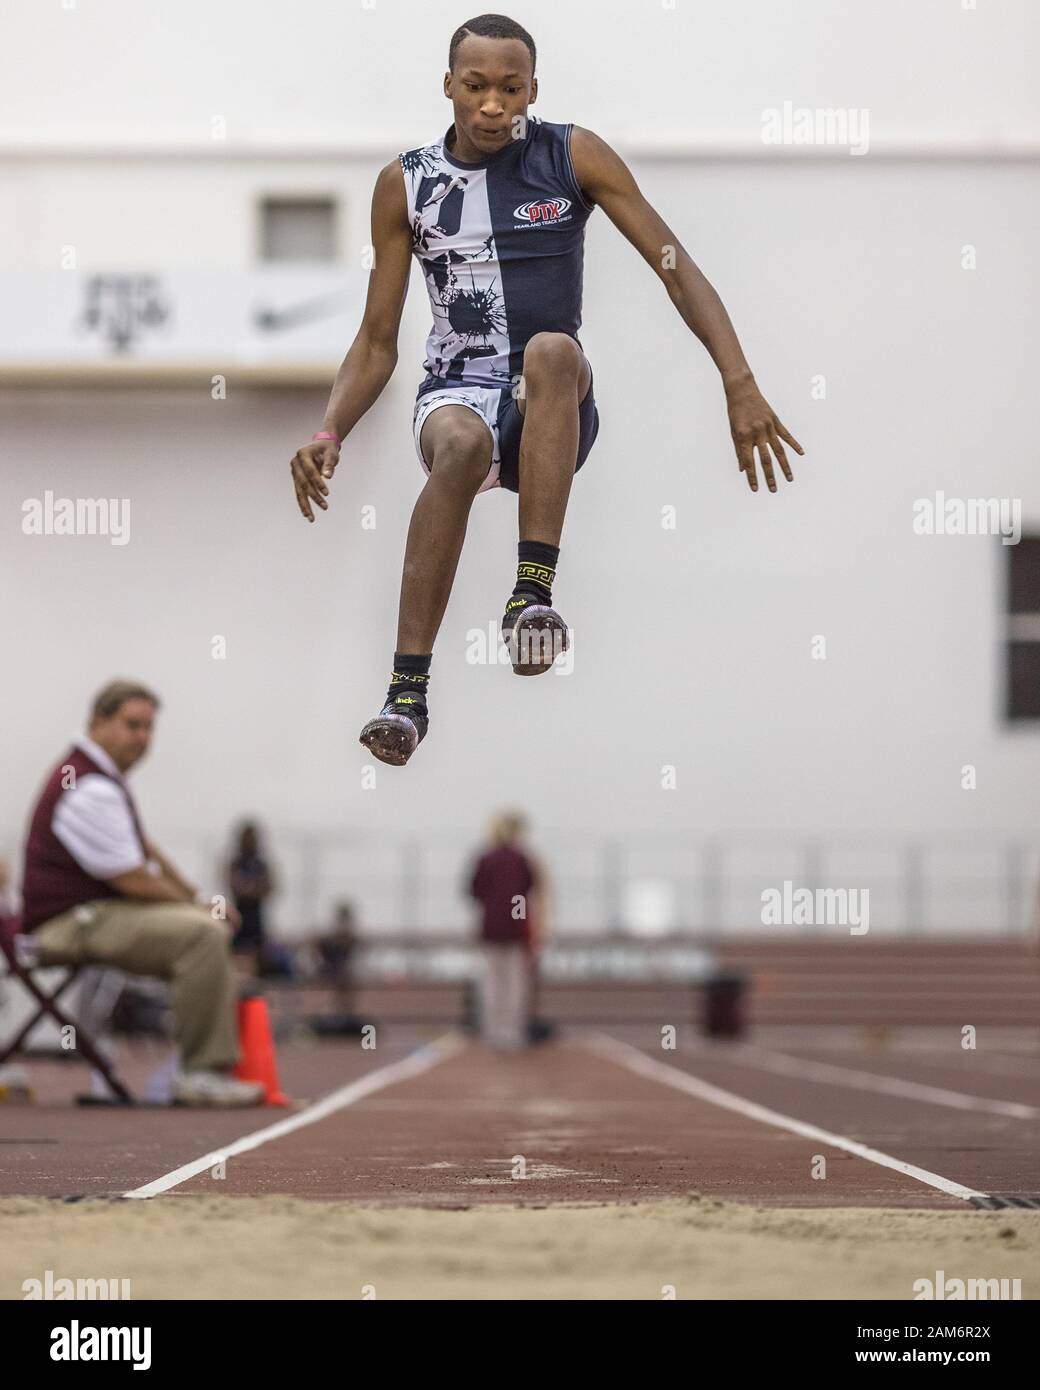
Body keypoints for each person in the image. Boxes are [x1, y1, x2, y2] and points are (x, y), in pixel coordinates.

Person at [288, 13, 804, 767]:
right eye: (476, 88)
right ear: (449, 88)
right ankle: (406, 695)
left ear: (533, 89)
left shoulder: (573, 154)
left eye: (510, 88)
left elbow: (675, 264)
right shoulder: (405, 185)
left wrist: (740, 382)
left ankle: (532, 593)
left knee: (555, 350)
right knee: (460, 444)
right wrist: (329, 431)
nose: (493, 105)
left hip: (549, 406)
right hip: (457, 390)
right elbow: (375, 341)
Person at [18, 680, 263, 1107]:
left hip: (89, 914)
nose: (142, 738)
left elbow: (145, 849)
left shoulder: (100, 778)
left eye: (149, 728)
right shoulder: (88, 787)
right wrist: (196, 908)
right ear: (98, 722)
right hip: (64, 924)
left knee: (201, 925)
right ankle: (201, 1074)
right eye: (132, 725)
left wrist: (197, 897)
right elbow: (131, 877)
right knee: (200, 935)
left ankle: (199, 1064)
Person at [468, 810, 545, 1050]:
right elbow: (531, 888)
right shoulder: (521, 859)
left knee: (493, 980)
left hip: (492, 927)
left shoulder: (486, 858)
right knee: (513, 981)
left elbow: (475, 891)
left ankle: (494, 1030)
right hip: (514, 929)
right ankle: (510, 1031)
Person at [227, 820, 275, 972]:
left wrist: (250, 888)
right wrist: (251, 887)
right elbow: (234, 885)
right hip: (239, 917)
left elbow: (269, 887)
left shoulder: (261, 864)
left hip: (256, 918)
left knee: (257, 957)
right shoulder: (236, 863)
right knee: (237, 956)